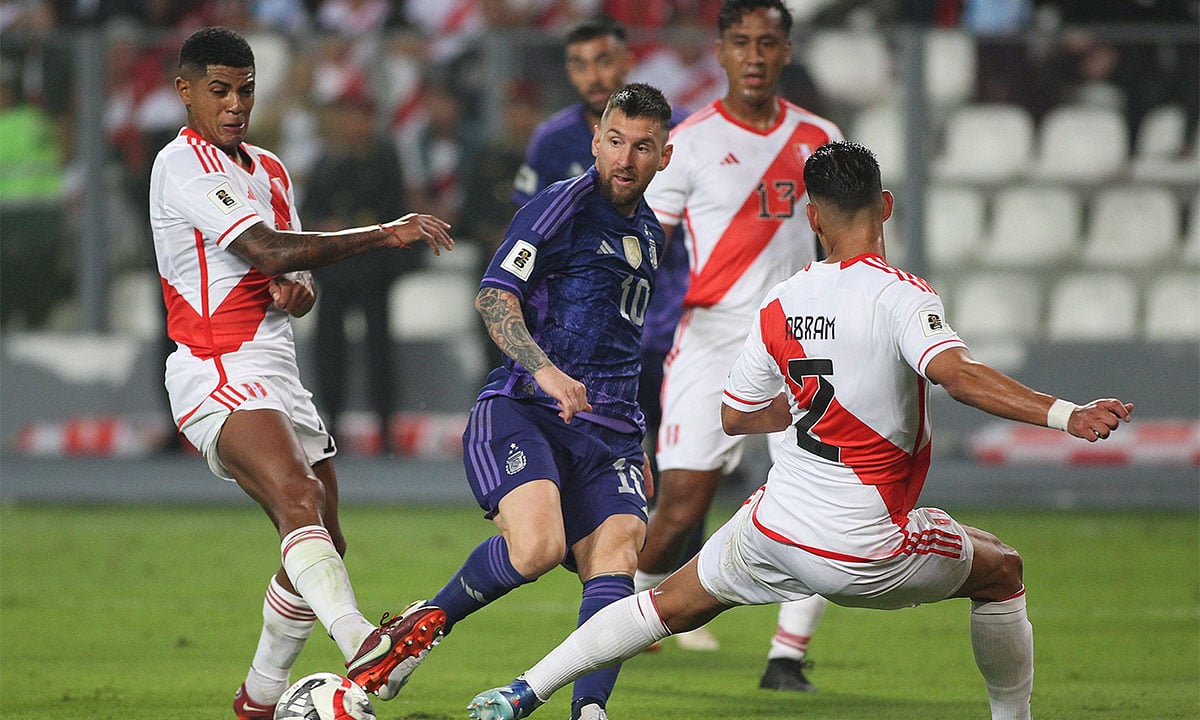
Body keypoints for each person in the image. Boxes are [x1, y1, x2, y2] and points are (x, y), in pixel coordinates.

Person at [467, 139, 1136, 720]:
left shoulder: (779, 302)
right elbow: (957, 375)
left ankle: (525, 689)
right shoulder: (901, 294)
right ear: (888, 206)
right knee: (1001, 569)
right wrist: (1066, 414)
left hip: (777, 526)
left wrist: (787, 412)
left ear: (812, 218)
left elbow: (733, 414)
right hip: (862, 546)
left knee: (664, 603)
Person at [147, 27, 453, 720]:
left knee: (323, 541)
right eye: (218, 91)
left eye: (245, 90)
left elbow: (288, 268)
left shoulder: (271, 170)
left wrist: (298, 292)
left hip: (278, 367)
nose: (234, 105)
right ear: (185, 92)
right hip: (215, 365)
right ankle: (364, 645)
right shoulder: (181, 164)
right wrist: (384, 230)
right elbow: (266, 247)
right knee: (295, 495)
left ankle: (257, 699)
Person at [383, 83, 674, 720]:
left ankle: (588, 712)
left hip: (611, 434)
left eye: (642, 147)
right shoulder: (561, 205)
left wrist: (638, 438)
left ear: (665, 157)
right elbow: (494, 297)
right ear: (596, 142)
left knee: (620, 557)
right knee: (537, 549)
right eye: (615, 141)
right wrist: (544, 370)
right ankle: (421, 627)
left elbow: (622, 344)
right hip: (526, 409)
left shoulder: (650, 233)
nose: (625, 159)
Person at [634, 0, 842, 691]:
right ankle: (621, 612)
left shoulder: (821, 138)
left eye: (768, 42)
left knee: (818, 502)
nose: (754, 55)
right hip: (712, 338)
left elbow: (849, 246)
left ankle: (786, 657)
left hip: (802, 342)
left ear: (786, 51)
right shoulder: (687, 143)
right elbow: (644, 247)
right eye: (741, 42)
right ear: (720, 52)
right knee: (681, 506)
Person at [511, 16, 716, 649]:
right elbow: (523, 231)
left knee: (680, 465)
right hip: (582, 337)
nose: (593, 74)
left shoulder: (682, 127)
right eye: (578, 64)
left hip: (671, 321)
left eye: (603, 59)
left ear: (626, 59)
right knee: (600, 457)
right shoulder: (550, 143)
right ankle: (611, 590)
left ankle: (672, 590)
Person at [302, 90, 413, 454]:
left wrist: (345, 225)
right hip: (334, 271)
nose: (350, 125)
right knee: (329, 350)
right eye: (345, 116)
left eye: (357, 117)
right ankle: (331, 421)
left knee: (379, 349)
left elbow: (390, 209)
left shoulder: (382, 159)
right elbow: (307, 209)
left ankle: (385, 425)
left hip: (371, 269)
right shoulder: (326, 160)